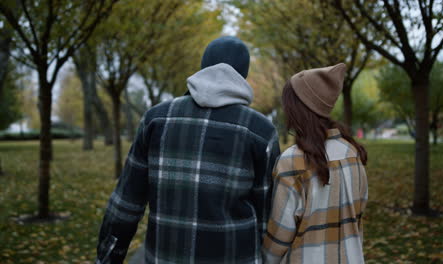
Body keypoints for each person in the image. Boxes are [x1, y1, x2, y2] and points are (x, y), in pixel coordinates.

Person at [95, 36, 280, 264]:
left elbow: (126, 202)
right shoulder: (261, 130)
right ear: (244, 74)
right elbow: (266, 213)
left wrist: (109, 256)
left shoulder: (156, 119)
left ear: (202, 66)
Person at [262, 64, 368, 264]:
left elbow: (279, 236)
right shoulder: (352, 152)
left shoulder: (292, 161)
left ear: (297, 108)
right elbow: (358, 215)